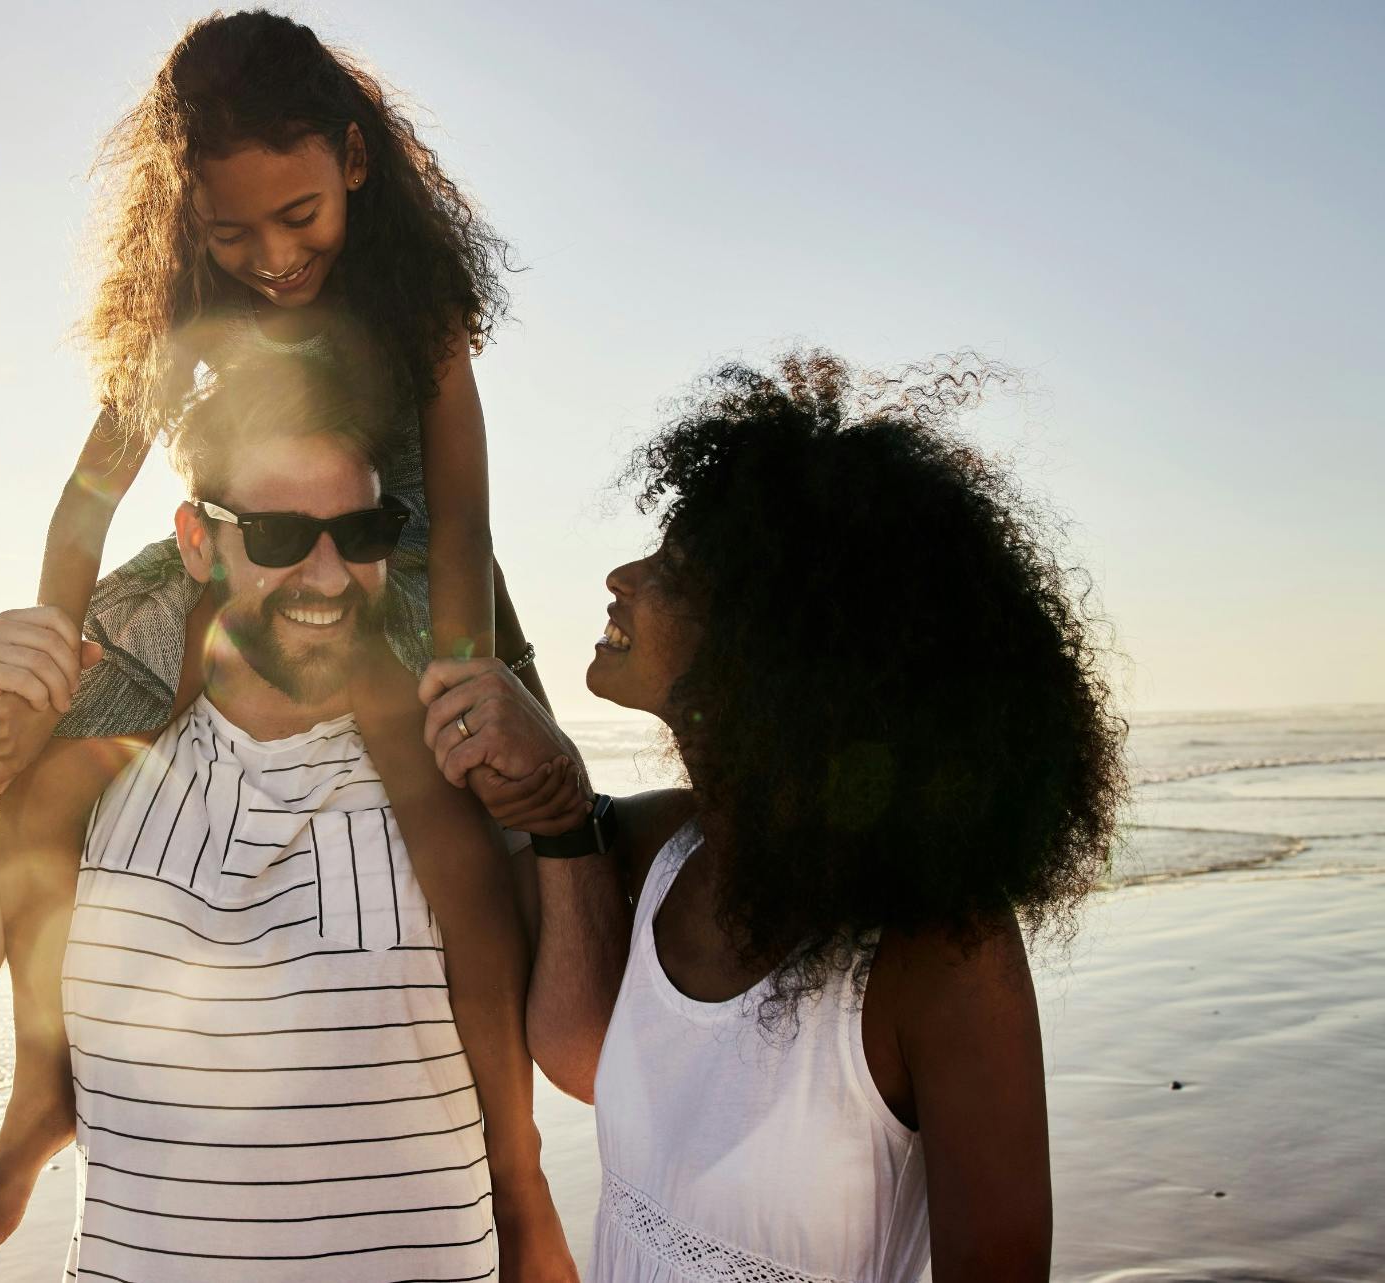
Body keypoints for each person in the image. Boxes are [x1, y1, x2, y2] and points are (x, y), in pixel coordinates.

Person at [0, 9, 576, 1277]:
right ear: (187, 213)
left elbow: (462, 501)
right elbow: (85, 501)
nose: (272, 256)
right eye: (233, 231)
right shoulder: (178, 305)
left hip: (397, 559)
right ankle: (37, 1093)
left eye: (299, 218)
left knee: (458, 813)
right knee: (49, 769)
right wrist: (50, 656)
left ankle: (519, 1176)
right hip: (235, 552)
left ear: (353, 161)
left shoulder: (417, 301)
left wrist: (457, 664)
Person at [0, 352, 580, 1280]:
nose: (325, 571)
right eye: (278, 534)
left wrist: (520, 1187)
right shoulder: (101, 754)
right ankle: (39, 1099)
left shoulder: (443, 761)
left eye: (361, 530)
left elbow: (573, 1020)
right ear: (197, 544)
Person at [418, 352, 1126, 1282]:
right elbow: (583, 1057)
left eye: (672, 566)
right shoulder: (666, 848)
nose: (622, 575)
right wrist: (559, 811)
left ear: (770, 641)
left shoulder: (942, 957)